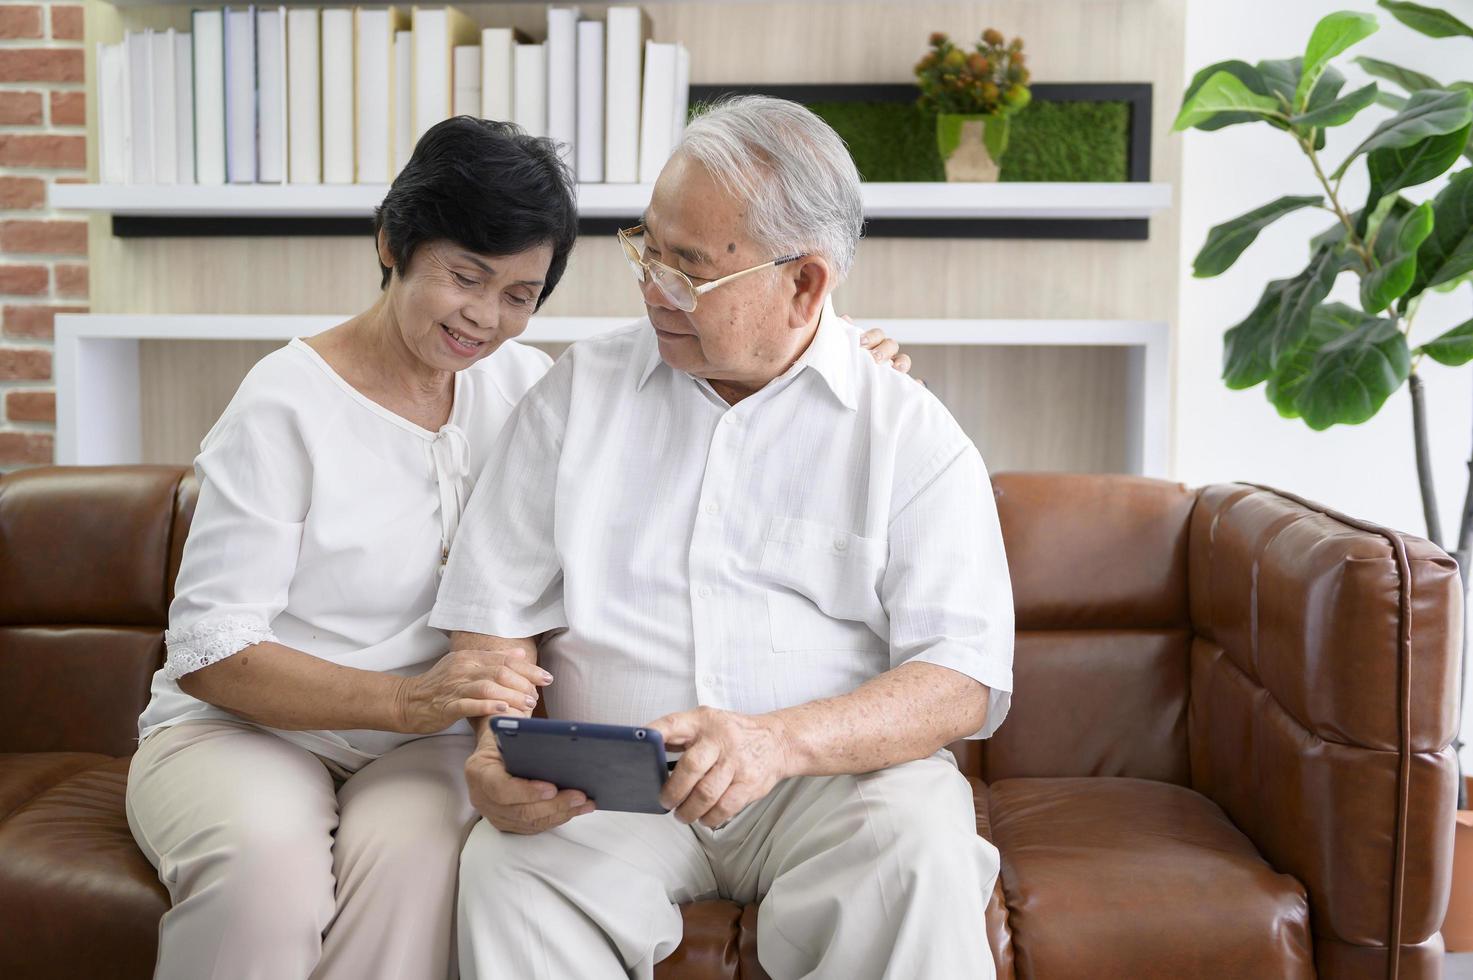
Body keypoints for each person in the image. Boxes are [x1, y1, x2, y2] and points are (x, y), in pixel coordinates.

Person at [124, 115, 910, 980]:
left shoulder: (530, 387)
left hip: (420, 749)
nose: (484, 317)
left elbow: (733, 385)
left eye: (519, 294)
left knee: (426, 866)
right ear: (392, 242)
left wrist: (840, 352)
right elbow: (210, 650)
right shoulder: (284, 402)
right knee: (264, 869)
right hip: (251, 732)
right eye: (465, 276)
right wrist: (406, 700)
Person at [434, 96, 1014, 980]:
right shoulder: (575, 394)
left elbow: (959, 680)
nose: (652, 288)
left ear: (805, 284)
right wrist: (491, 747)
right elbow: (493, 609)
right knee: (509, 869)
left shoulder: (907, 432)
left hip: (829, 790)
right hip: (614, 791)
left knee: (919, 850)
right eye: (647, 250)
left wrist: (776, 741)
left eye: (690, 271)